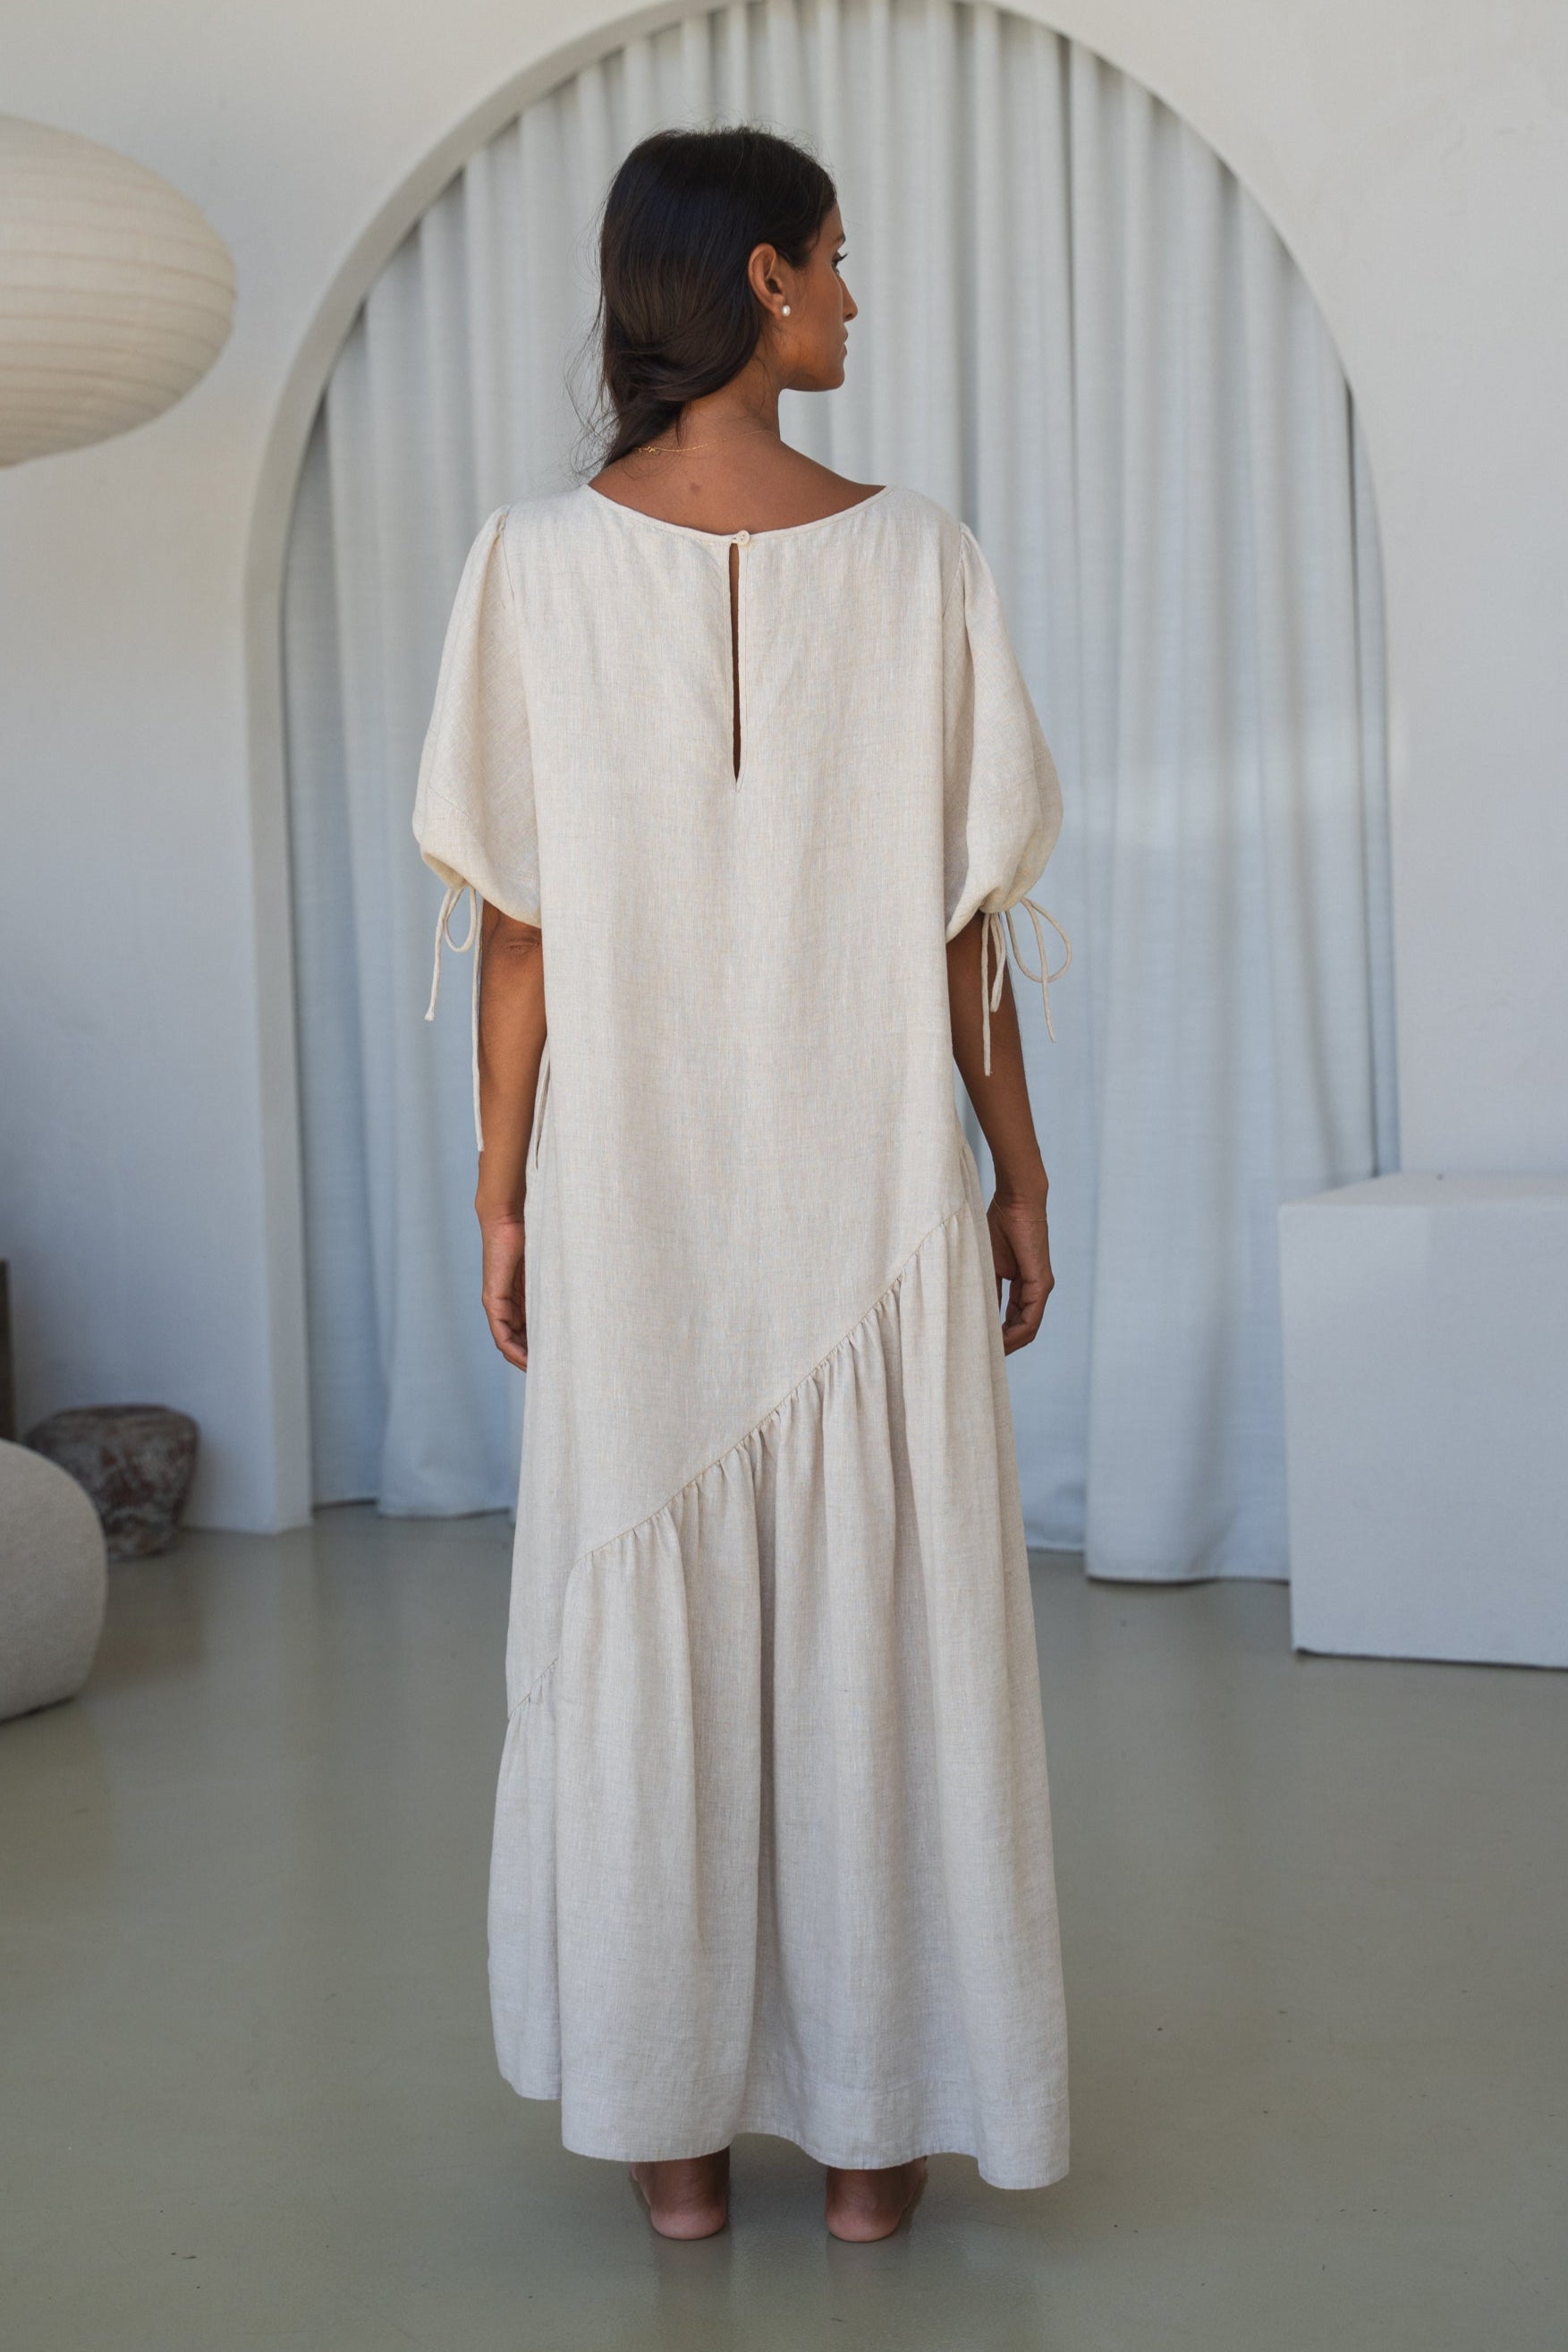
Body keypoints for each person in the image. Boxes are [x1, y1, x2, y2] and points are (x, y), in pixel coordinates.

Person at [413, 123, 1072, 2245]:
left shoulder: (525, 561)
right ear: (766, 282)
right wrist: (1017, 1174)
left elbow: (518, 935)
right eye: (843, 267)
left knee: (648, 1665)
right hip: (869, 1207)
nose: (860, 305)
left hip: (643, 1211)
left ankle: (675, 2158)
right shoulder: (927, 558)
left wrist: (506, 1192)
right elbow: (964, 930)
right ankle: (876, 2160)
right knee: (887, 1649)